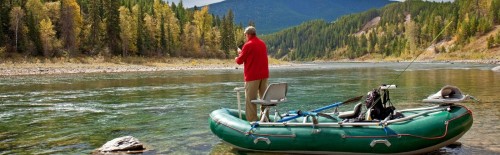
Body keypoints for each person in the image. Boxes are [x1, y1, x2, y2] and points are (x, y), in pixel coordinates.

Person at [235, 26, 269, 122]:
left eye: (245, 35)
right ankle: (265, 120)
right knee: (264, 99)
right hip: (264, 76)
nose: (245, 36)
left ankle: (252, 122)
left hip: (252, 77)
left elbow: (239, 61)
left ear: (248, 34)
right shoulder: (262, 44)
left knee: (250, 101)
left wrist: (237, 57)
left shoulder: (248, 45)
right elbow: (254, 55)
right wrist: (243, 53)